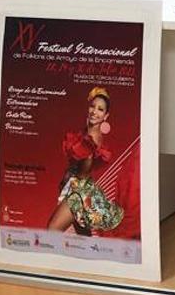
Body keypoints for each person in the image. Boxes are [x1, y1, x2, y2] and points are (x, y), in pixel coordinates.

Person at [48, 86, 124, 234]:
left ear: (106, 116)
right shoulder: (86, 134)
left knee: (53, 229)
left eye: (100, 109)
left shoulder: (92, 139)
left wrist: (75, 188)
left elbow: (83, 172)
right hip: (75, 186)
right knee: (82, 235)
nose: (94, 111)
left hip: (78, 191)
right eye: (92, 106)